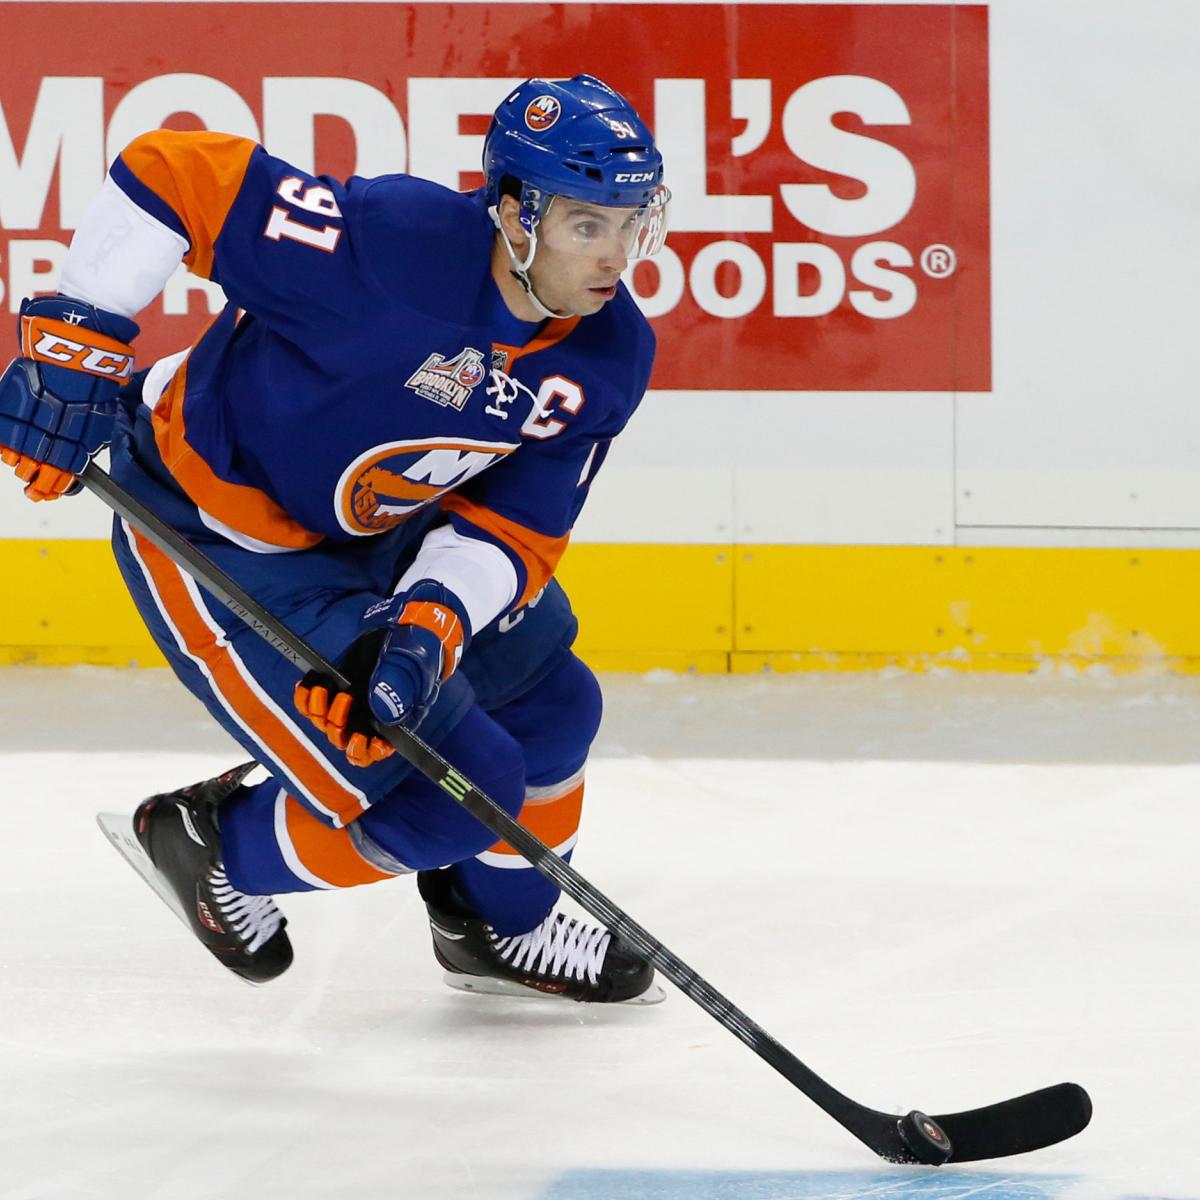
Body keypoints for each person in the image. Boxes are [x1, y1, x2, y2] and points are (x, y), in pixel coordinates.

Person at [0, 74, 670, 1003]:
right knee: (447, 791)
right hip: (223, 535)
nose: (617, 256)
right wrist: (71, 350)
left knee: (554, 710)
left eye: (633, 223)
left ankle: (496, 930)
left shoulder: (609, 353)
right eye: (587, 226)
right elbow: (173, 172)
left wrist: (430, 621)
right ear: (515, 214)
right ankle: (211, 845)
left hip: (388, 537)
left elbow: (514, 523)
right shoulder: (391, 245)